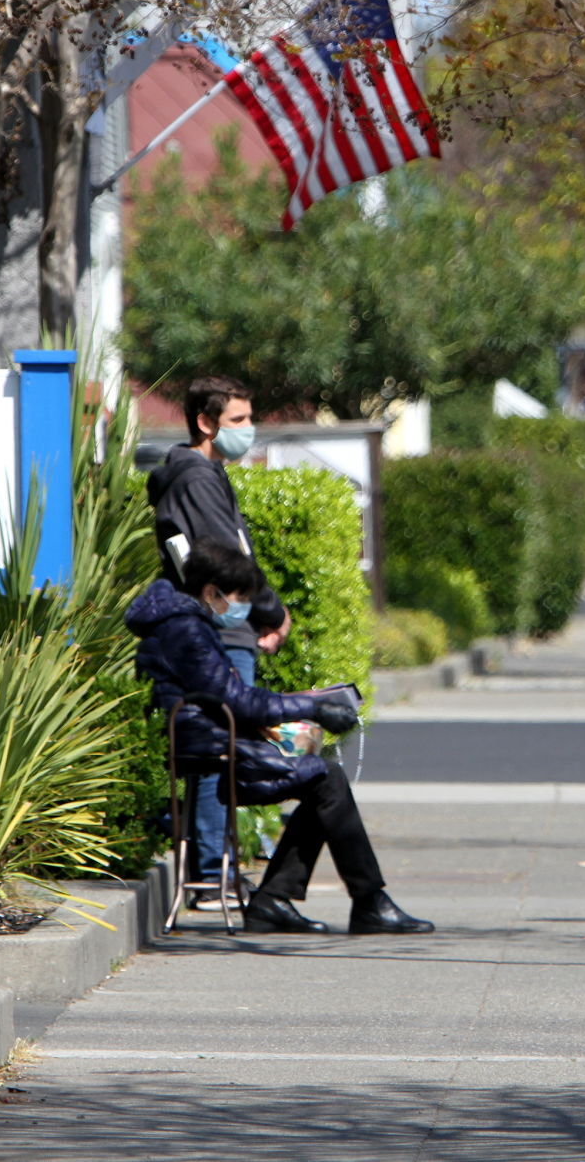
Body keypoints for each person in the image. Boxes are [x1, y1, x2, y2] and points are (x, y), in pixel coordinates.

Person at [127, 540, 434, 936]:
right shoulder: (185, 628)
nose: (239, 609)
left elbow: (229, 695)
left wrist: (303, 705)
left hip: (207, 740)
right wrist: (310, 707)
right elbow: (236, 700)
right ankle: (364, 901)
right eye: (236, 598)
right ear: (210, 592)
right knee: (327, 780)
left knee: (323, 783)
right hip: (209, 747)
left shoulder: (181, 622)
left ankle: (280, 900)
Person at [146, 376, 292, 904]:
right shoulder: (197, 480)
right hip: (222, 630)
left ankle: (213, 867)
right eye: (236, 421)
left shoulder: (200, 474)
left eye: (249, 419)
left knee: (217, 751)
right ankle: (211, 874)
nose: (246, 431)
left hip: (224, 627)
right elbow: (225, 560)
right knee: (218, 753)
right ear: (205, 423)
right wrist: (271, 613)